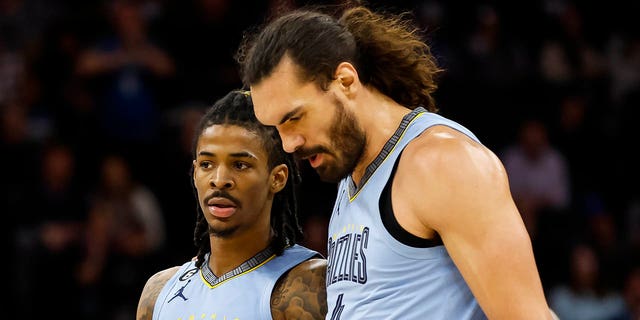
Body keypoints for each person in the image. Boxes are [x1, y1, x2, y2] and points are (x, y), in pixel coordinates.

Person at [237, 5, 555, 319]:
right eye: (276, 129)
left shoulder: (439, 163)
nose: (289, 144)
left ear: (346, 81)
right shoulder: (352, 176)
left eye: (294, 118)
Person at [136, 90, 327, 320]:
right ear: (195, 173)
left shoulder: (307, 283)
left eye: (240, 165)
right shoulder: (157, 293)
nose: (219, 180)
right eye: (207, 164)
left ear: (277, 178)